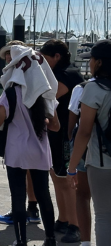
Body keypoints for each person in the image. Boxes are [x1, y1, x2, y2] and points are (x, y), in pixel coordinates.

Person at [0, 44, 60, 246]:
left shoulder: (11, 93)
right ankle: (50, 238)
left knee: (18, 196)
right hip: (39, 151)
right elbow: (55, 126)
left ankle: (21, 240)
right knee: (43, 195)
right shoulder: (44, 93)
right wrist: (40, 121)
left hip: (16, 151)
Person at [38, 39, 84, 243]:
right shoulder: (53, 73)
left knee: (66, 181)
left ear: (57, 56)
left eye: (45, 58)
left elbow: (50, 97)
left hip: (67, 135)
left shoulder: (68, 73)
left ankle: (76, 225)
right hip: (54, 134)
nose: (43, 63)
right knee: (56, 178)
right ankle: (63, 218)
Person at [0, 40, 44, 226]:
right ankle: (29, 209)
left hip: (22, 136)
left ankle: (26, 210)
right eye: (6, 54)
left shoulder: (17, 81)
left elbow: (0, 115)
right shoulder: (31, 78)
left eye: (11, 53)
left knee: (23, 174)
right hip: (32, 136)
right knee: (29, 172)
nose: (8, 57)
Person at [69, 40, 111, 246]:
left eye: (92, 60)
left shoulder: (94, 88)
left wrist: (71, 166)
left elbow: (84, 132)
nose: (89, 63)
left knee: (104, 216)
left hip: (102, 161)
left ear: (100, 62)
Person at [67, 73, 94, 246]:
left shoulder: (82, 88)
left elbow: (73, 125)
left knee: (83, 195)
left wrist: (72, 163)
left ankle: (85, 242)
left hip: (87, 149)